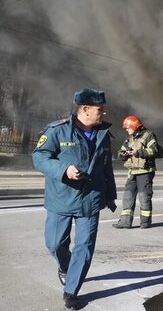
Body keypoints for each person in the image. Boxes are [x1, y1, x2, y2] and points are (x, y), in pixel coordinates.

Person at [32, 89, 117, 310]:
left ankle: (71, 291)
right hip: (61, 198)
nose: (104, 112)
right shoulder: (57, 131)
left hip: (91, 200)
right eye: (100, 109)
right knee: (55, 243)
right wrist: (63, 169)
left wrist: (110, 195)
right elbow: (39, 157)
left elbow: (106, 168)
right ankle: (65, 267)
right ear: (85, 109)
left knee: (84, 247)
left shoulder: (103, 134)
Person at [112, 115, 160, 229]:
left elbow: (154, 150)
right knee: (127, 197)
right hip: (133, 172)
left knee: (144, 197)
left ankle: (145, 222)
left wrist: (138, 152)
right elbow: (121, 151)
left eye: (128, 127)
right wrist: (123, 154)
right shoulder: (129, 139)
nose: (126, 129)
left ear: (135, 126)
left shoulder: (149, 136)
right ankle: (125, 222)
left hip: (145, 171)